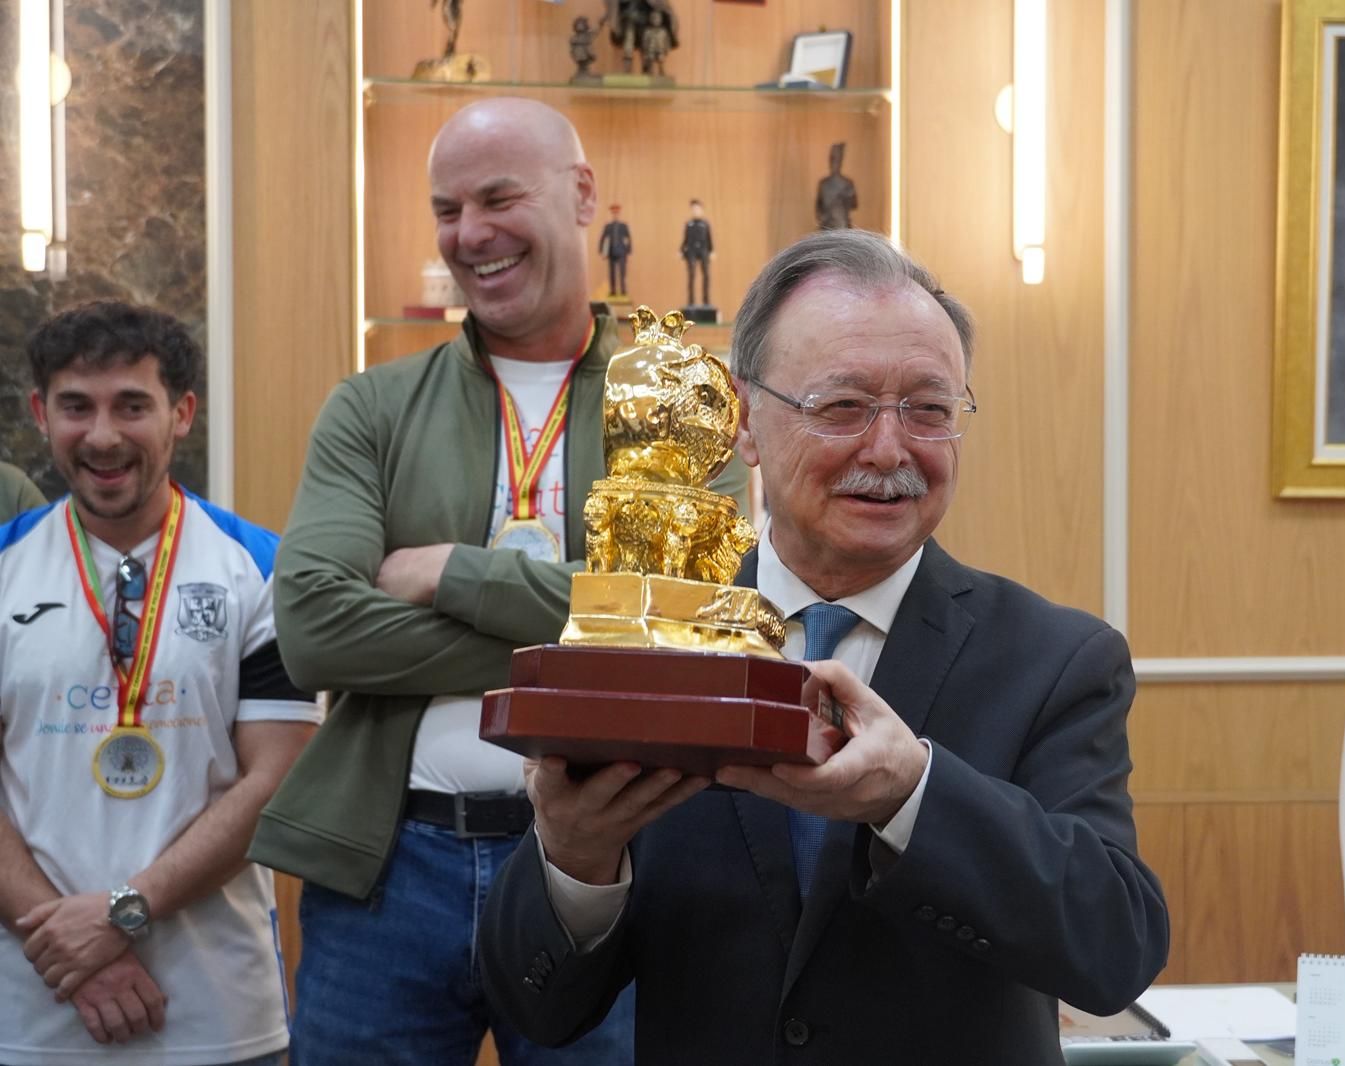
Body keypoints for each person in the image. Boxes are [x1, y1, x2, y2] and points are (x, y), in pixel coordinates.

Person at [476, 230, 1170, 1064]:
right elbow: (535, 1006)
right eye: (842, 406)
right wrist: (573, 858)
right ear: (745, 422)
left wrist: (912, 796)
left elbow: (1114, 948)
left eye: (929, 410)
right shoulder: (649, 636)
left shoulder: (1054, 660)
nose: (889, 449)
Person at [247, 98, 745, 1065]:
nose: (469, 233)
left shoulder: (683, 399)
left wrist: (450, 573)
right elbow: (312, 629)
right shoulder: (372, 407)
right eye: (447, 209)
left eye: (498, 198)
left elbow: (686, 619)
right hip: (388, 870)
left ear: (582, 195)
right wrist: (592, 626)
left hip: (614, 864)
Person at [0, 300, 319, 1064]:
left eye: (131, 406)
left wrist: (119, 915)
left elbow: (276, 778)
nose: (102, 435)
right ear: (41, 414)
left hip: (220, 1019)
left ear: (182, 413)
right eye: (77, 406)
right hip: (32, 1013)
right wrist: (76, 948)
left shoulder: (260, 569)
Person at [815, 141, 857, 230]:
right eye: (832, 159)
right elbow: (819, 209)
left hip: (842, 226)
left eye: (837, 160)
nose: (834, 163)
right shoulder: (823, 184)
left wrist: (845, 198)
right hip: (827, 226)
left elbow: (854, 204)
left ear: (841, 161)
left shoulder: (847, 183)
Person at [680, 198, 713, 308]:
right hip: (691, 251)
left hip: (703, 250)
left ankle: (706, 301)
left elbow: (709, 239)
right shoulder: (689, 224)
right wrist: (681, 250)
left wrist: (711, 251)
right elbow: (685, 239)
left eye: (697, 209)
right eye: (694, 209)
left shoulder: (705, 224)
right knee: (691, 275)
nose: (696, 211)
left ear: (701, 210)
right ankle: (691, 301)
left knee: (706, 275)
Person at [599, 203, 631, 299]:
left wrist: (628, 250)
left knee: (622, 273)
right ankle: (613, 291)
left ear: (619, 213)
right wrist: (602, 251)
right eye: (613, 212)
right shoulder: (608, 226)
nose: (615, 214)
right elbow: (603, 238)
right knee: (612, 273)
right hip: (611, 252)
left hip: (622, 252)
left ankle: (623, 290)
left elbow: (628, 238)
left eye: (617, 212)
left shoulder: (623, 226)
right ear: (611, 213)